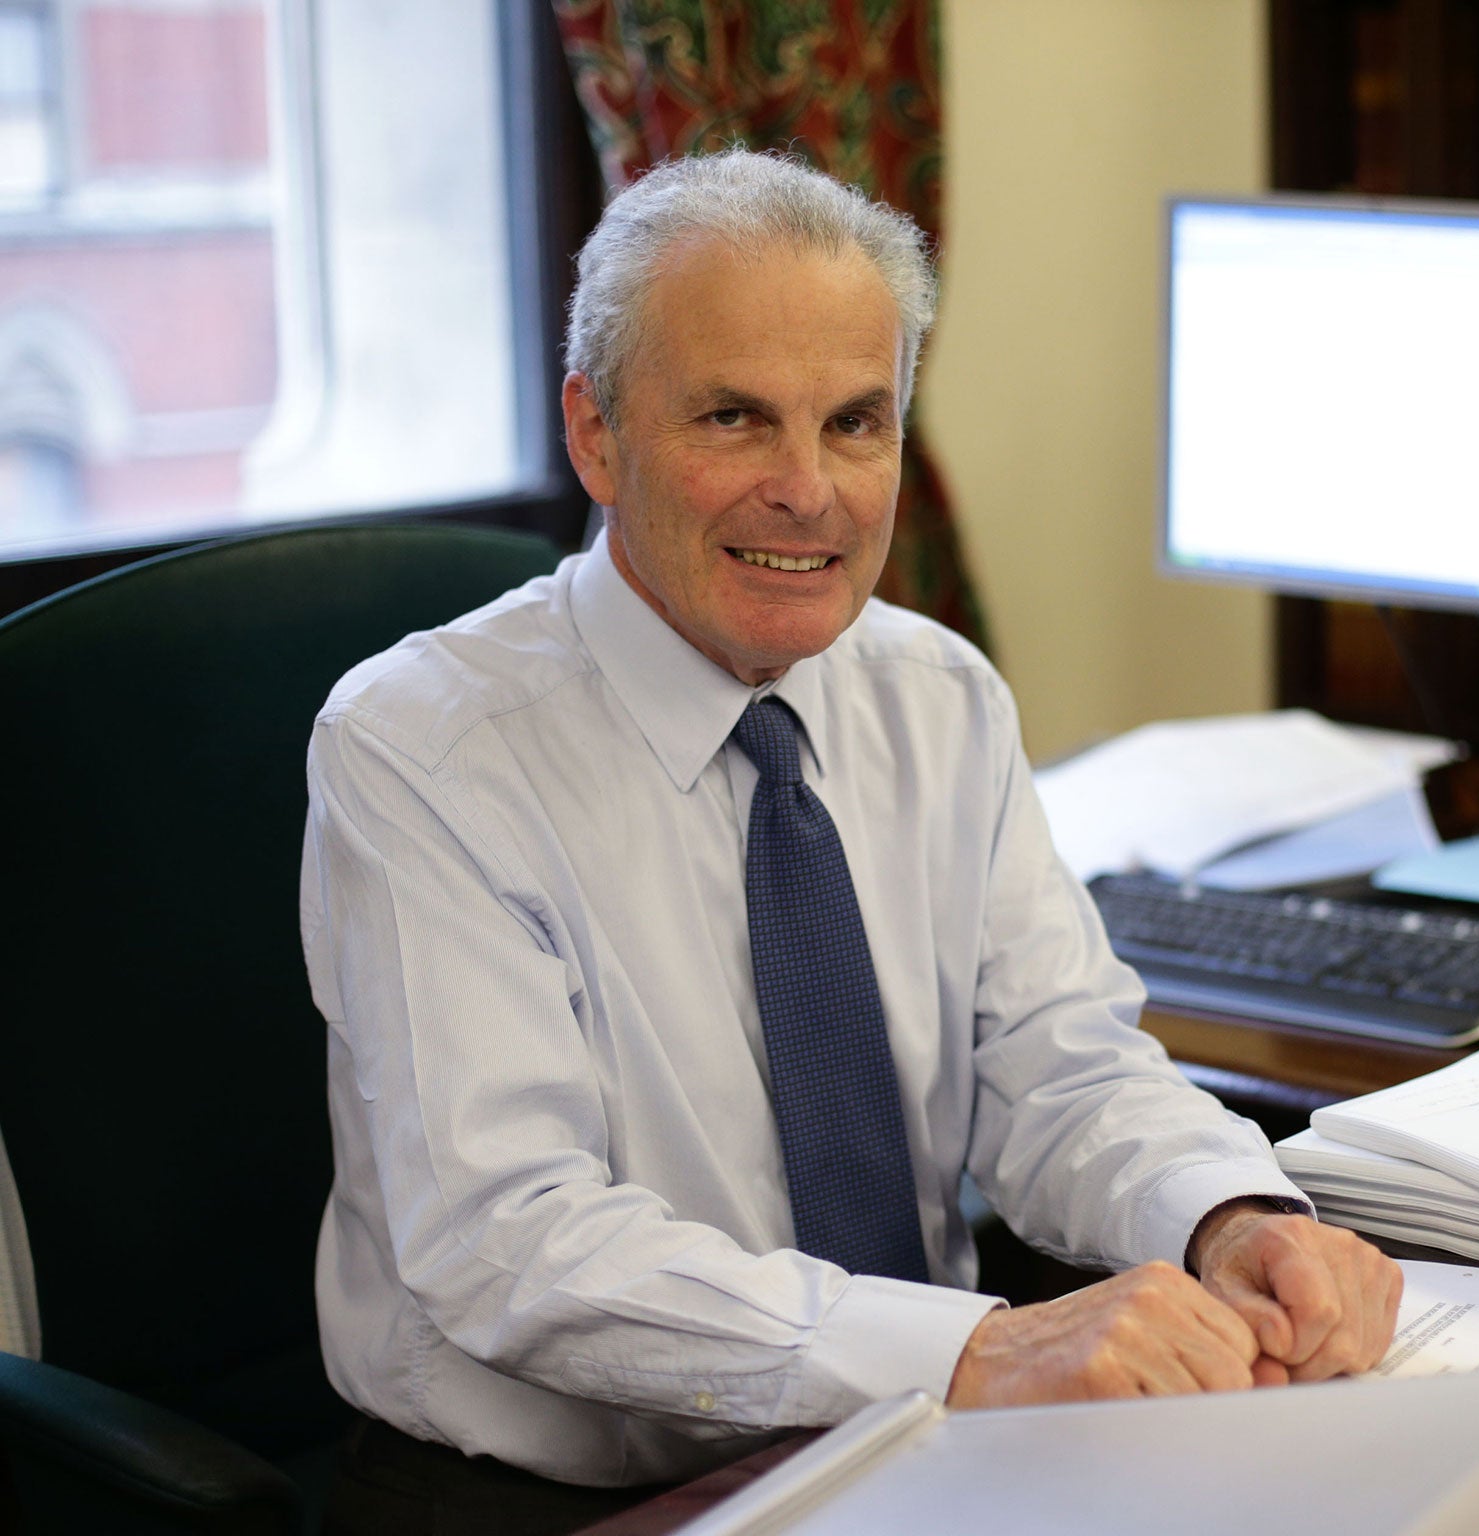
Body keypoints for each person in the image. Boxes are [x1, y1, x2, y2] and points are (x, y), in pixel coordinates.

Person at [302, 147, 1401, 1534]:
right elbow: (510, 1245)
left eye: (857, 423)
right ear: (596, 435)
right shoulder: (423, 746)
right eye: (734, 419)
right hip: (548, 1498)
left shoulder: (938, 694)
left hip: (926, 1440)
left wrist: (1230, 1219)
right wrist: (975, 1351)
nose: (809, 492)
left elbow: (1059, 1070)